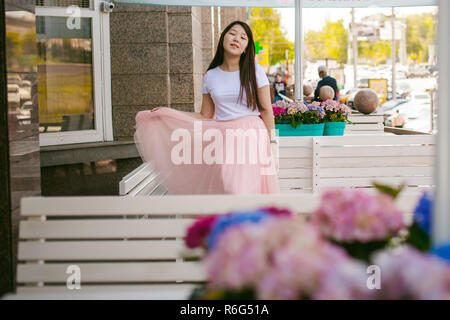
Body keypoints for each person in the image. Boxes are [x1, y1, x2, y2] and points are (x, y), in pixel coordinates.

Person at [134, 21, 280, 195]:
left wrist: (272, 143)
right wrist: (169, 113)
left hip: (251, 136)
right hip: (223, 139)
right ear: (223, 37)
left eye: (243, 37)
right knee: (226, 186)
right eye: (232, 33)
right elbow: (205, 115)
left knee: (239, 189)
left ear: (247, 47)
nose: (236, 39)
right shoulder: (211, 75)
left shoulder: (255, 71)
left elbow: (266, 110)